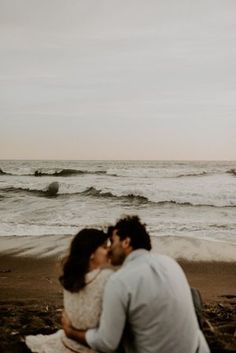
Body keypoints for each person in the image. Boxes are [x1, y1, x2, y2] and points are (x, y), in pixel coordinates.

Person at [62, 215, 210, 353]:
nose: (110, 250)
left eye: (112, 242)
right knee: (191, 294)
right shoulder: (169, 262)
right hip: (198, 348)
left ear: (126, 242)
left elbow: (107, 343)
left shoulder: (119, 281)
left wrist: (71, 332)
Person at [25, 228, 113, 353]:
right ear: (91, 254)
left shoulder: (71, 277)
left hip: (67, 344)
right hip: (90, 346)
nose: (109, 251)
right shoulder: (105, 278)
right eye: (104, 247)